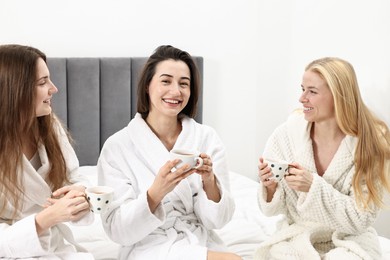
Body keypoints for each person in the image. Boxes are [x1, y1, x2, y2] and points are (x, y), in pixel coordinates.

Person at [97, 45, 240, 260]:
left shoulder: (206, 138)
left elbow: (218, 221)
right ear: (147, 85)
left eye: (184, 84)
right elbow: (118, 230)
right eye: (166, 81)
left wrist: (209, 181)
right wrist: (156, 192)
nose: (176, 91)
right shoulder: (117, 147)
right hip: (147, 245)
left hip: (199, 239)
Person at [256, 57, 390, 259]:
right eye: (302, 89)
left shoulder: (370, 144)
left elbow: (361, 218)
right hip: (298, 235)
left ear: (338, 96)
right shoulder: (286, 135)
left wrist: (313, 187)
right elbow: (271, 210)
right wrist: (270, 187)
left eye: (312, 91)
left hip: (349, 239)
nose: (302, 98)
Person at [0, 44, 94, 259]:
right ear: (14, 90)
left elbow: (73, 177)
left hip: (55, 244)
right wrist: (44, 220)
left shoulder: (49, 127)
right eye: (43, 82)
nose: (54, 89)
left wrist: (79, 192)